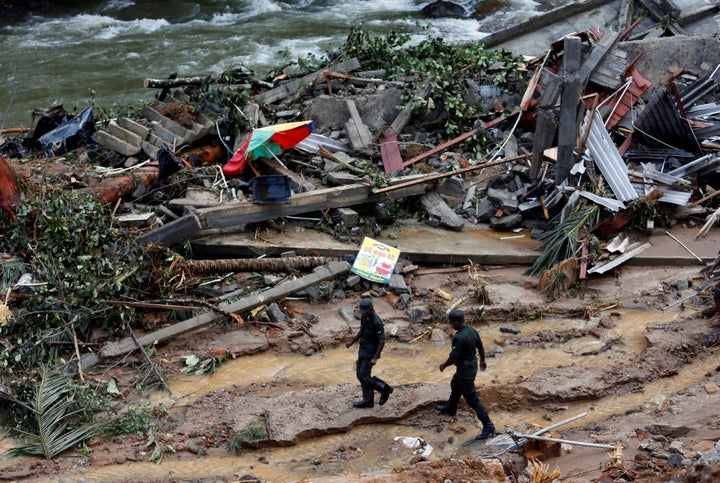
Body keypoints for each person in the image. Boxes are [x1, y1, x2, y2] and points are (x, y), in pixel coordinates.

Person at [437, 309, 496, 440]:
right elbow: (480, 346)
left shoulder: (459, 337)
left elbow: (453, 357)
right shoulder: (472, 330)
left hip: (466, 371)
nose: (450, 325)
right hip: (470, 366)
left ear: (457, 322)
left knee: (472, 399)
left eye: (451, 322)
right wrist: (483, 360)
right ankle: (451, 408)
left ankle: (488, 425)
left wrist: (443, 365)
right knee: (455, 384)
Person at [345, 297, 394, 408]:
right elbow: (362, 330)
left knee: (364, 375)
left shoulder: (377, 322)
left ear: (371, 309)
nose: (364, 314)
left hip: (371, 352)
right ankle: (368, 401)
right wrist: (352, 342)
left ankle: (385, 388)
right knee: (359, 375)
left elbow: (382, 341)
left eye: (365, 312)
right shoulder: (364, 316)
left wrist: (375, 357)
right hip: (363, 349)